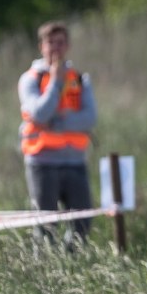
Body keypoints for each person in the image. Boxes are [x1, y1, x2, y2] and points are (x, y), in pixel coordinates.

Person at [18, 20, 97, 248]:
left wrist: (55, 123)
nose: (55, 48)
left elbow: (89, 118)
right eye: (50, 42)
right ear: (41, 46)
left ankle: (70, 262)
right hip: (42, 162)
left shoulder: (80, 79)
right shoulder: (30, 79)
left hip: (75, 162)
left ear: (67, 46)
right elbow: (39, 113)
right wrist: (55, 81)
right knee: (45, 227)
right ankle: (44, 264)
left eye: (60, 42)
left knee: (82, 222)